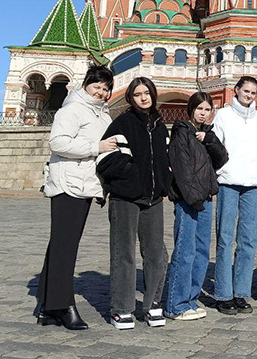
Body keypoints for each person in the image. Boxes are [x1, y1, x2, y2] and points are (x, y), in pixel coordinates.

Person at [37, 66, 116, 330]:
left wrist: (102, 187)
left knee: (61, 244)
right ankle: (63, 305)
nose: (102, 92)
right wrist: (96, 146)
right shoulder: (71, 110)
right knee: (65, 246)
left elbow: (106, 155)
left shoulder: (102, 114)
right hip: (66, 184)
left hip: (85, 184)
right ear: (86, 84)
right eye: (98, 86)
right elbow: (57, 143)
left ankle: (47, 306)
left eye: (106, 89)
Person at [96, 77, 170, 330]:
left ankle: (152, 305)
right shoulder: (123, 123)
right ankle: (122, 308)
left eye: (147, 93)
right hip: (126, 197)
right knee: (123, 253)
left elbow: (163, 160)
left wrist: (163, 183)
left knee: (156, 254)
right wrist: (130, 176)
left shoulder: (160, 126)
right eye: (137, 94)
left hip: (154, 199)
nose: (143, 98)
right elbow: (106, 159)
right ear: (130, 97)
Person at [211, 76, 257, 315]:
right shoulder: (224, 116)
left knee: (248, 240)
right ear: (236, 91)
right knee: (226, 238)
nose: (249, 95)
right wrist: (222, 169)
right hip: (229, 182)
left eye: (253, 92)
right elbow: (216, 146)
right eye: (245, 91)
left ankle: (241, 292)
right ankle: (224, 293)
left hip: (253, 185)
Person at [165, 92, 229, 321]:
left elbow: (222, 159)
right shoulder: (181, 132)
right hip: (189, 201)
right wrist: (193, 199)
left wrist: (209, 139)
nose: (203, 113)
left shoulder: (206, 134)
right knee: (185, 252)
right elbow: (181, 168)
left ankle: (190, 299)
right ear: (191, 109)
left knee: (201, 251)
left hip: (205, 199)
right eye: (199, 108)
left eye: (207, 109)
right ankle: (176, 305)